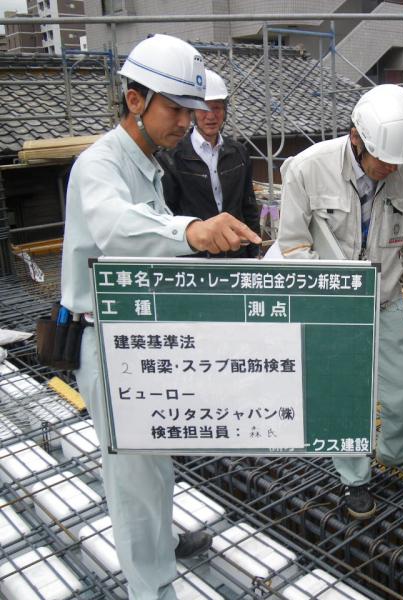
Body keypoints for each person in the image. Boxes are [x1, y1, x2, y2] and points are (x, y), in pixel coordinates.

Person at [60, 34, 260, 599]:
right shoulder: (98, 164)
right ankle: (151, 588)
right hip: (105, 341)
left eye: (191, 110)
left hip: (141, 338)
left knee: (154, 464)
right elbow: (116, 228)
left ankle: (160, 547)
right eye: (175, 108)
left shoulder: (149, 162)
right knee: (132, 480)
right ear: (134, 100)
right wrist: (191, 231)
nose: (185, 121)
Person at [276, 84, 403, 519]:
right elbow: (291, 244)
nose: (390, 168)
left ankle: (396, 452)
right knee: (346, 394)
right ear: (356, 139)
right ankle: (354, 479)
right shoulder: (308, 169)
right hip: (333, 307)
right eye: (383, 159)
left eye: (398, 162)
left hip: (384, 301)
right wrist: (329, 290)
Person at [158, 69, 260, 258]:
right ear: (193, 112)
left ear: (225, 111)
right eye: (203, 108)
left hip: (237, 253)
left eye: (217, 108)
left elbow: (248, 206)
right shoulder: (172, 158)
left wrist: (255, 251)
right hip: (196, 259)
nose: (211, 116)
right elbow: (168, 215)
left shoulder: (238, 153)